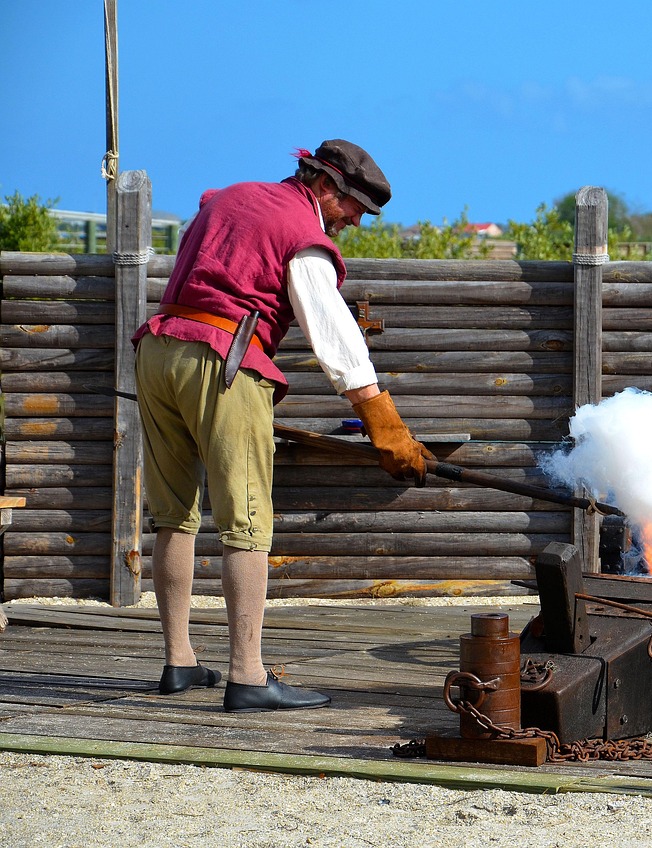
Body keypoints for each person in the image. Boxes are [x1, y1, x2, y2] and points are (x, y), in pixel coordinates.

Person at [132, 139, 432, 712]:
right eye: (354, 209)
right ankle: (247, 676)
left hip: (159, 349)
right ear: (325, 186)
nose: (354, 222)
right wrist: (386, 427)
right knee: (246, 520)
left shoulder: (232, 198)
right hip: (221, 359)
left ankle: (179, 662)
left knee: (173, 515)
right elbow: (335, 338)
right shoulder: (301, 231)